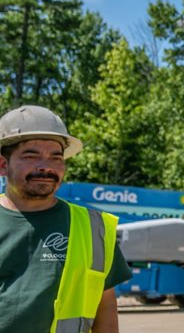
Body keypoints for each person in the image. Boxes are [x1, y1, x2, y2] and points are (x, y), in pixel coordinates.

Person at [0, 105, 132, 333]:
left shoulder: (94, 228)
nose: (46, 167)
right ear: (3, 165)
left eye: (56, 157)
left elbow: (105, 305)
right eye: (31, 156)